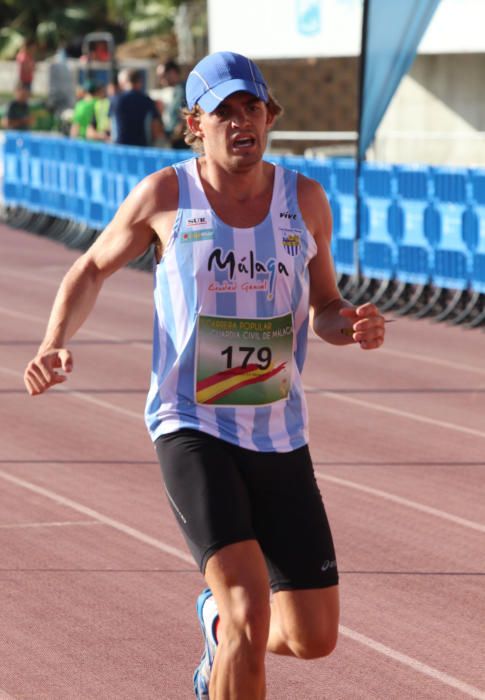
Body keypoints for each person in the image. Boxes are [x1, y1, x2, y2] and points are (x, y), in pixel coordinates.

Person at [23, 51, 386, 699]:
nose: (242, 121)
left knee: (312, 636)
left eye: (253, 108)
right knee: (252, 614)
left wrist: (349, 323)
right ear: (195, 123)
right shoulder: (167, 194)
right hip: (191, 424)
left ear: (269, 116)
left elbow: (325, 304)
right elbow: (90, 268)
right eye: (225, 111)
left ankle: (214, 623)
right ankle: (231, 623)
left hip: (276, 430)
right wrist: (53, 342)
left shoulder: (303, 200)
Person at [109, 68, 164, 147]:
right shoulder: (147, 101)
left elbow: (112, 125)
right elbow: (155, 127)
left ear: (125, 82)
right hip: (141, 149)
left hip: (119, 148)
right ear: (139, 82)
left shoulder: (115, 100)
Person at [154, 59, 186, 148]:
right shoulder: (177, 90)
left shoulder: (183, 91)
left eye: (162, 76)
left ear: (172, 72)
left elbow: (185, 118)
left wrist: (173, 137)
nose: (161, 80)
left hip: (181, 144)